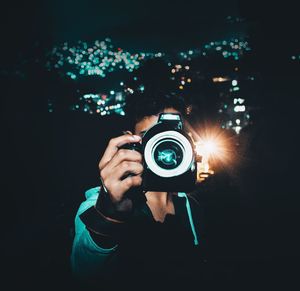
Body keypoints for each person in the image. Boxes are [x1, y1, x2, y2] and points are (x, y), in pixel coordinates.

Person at [70, 75, 210, 290]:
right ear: (131, 141)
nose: (164, 146)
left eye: (173, 136)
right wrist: (109, 214)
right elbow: (83, 271)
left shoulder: (191, 207)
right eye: (151, 137)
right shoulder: (100, 203)